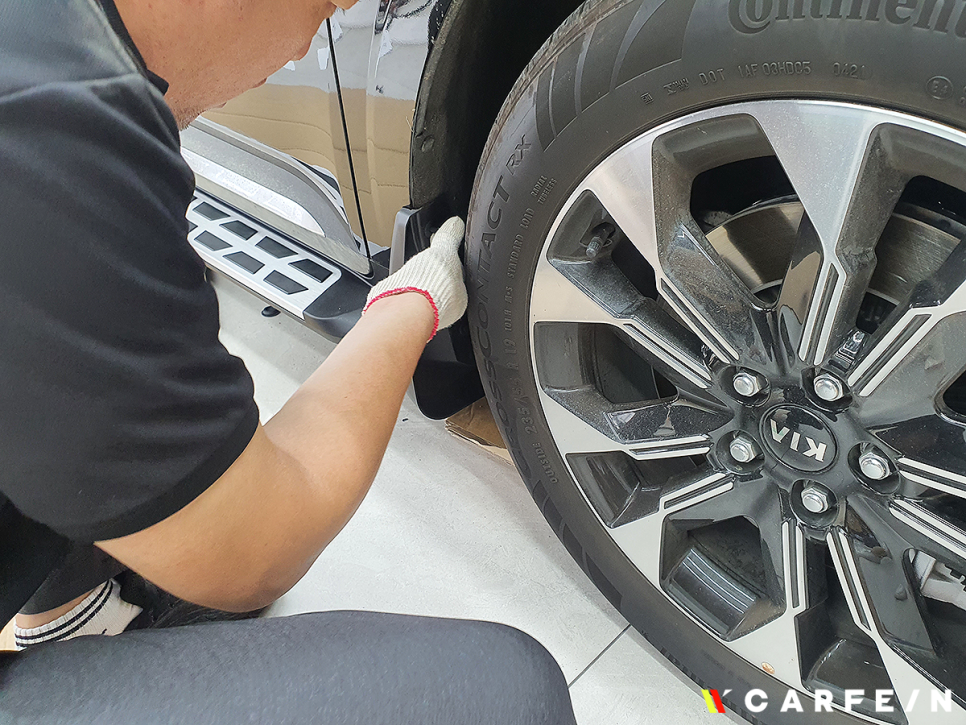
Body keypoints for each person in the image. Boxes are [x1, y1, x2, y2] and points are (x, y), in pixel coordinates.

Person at [0, 0, 578, 722]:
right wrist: (409, 304)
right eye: (328, 2)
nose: (330, 20)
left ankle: (73, 612)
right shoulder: (51, 133)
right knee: (503, 695)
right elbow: (254, 544)